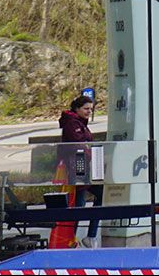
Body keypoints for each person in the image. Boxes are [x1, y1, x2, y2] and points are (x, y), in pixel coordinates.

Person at [50, 95, 96, 250]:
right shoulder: (72, 124)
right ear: (77, 108)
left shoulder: (80, 123)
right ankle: (73, 239)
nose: (89, 111)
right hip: (76, 169)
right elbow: (79, 146)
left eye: (91, 109)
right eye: (86, 108)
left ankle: (87, 236)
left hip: (83, 168)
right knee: (78, 203)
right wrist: (91, 152)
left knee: (84, 201)